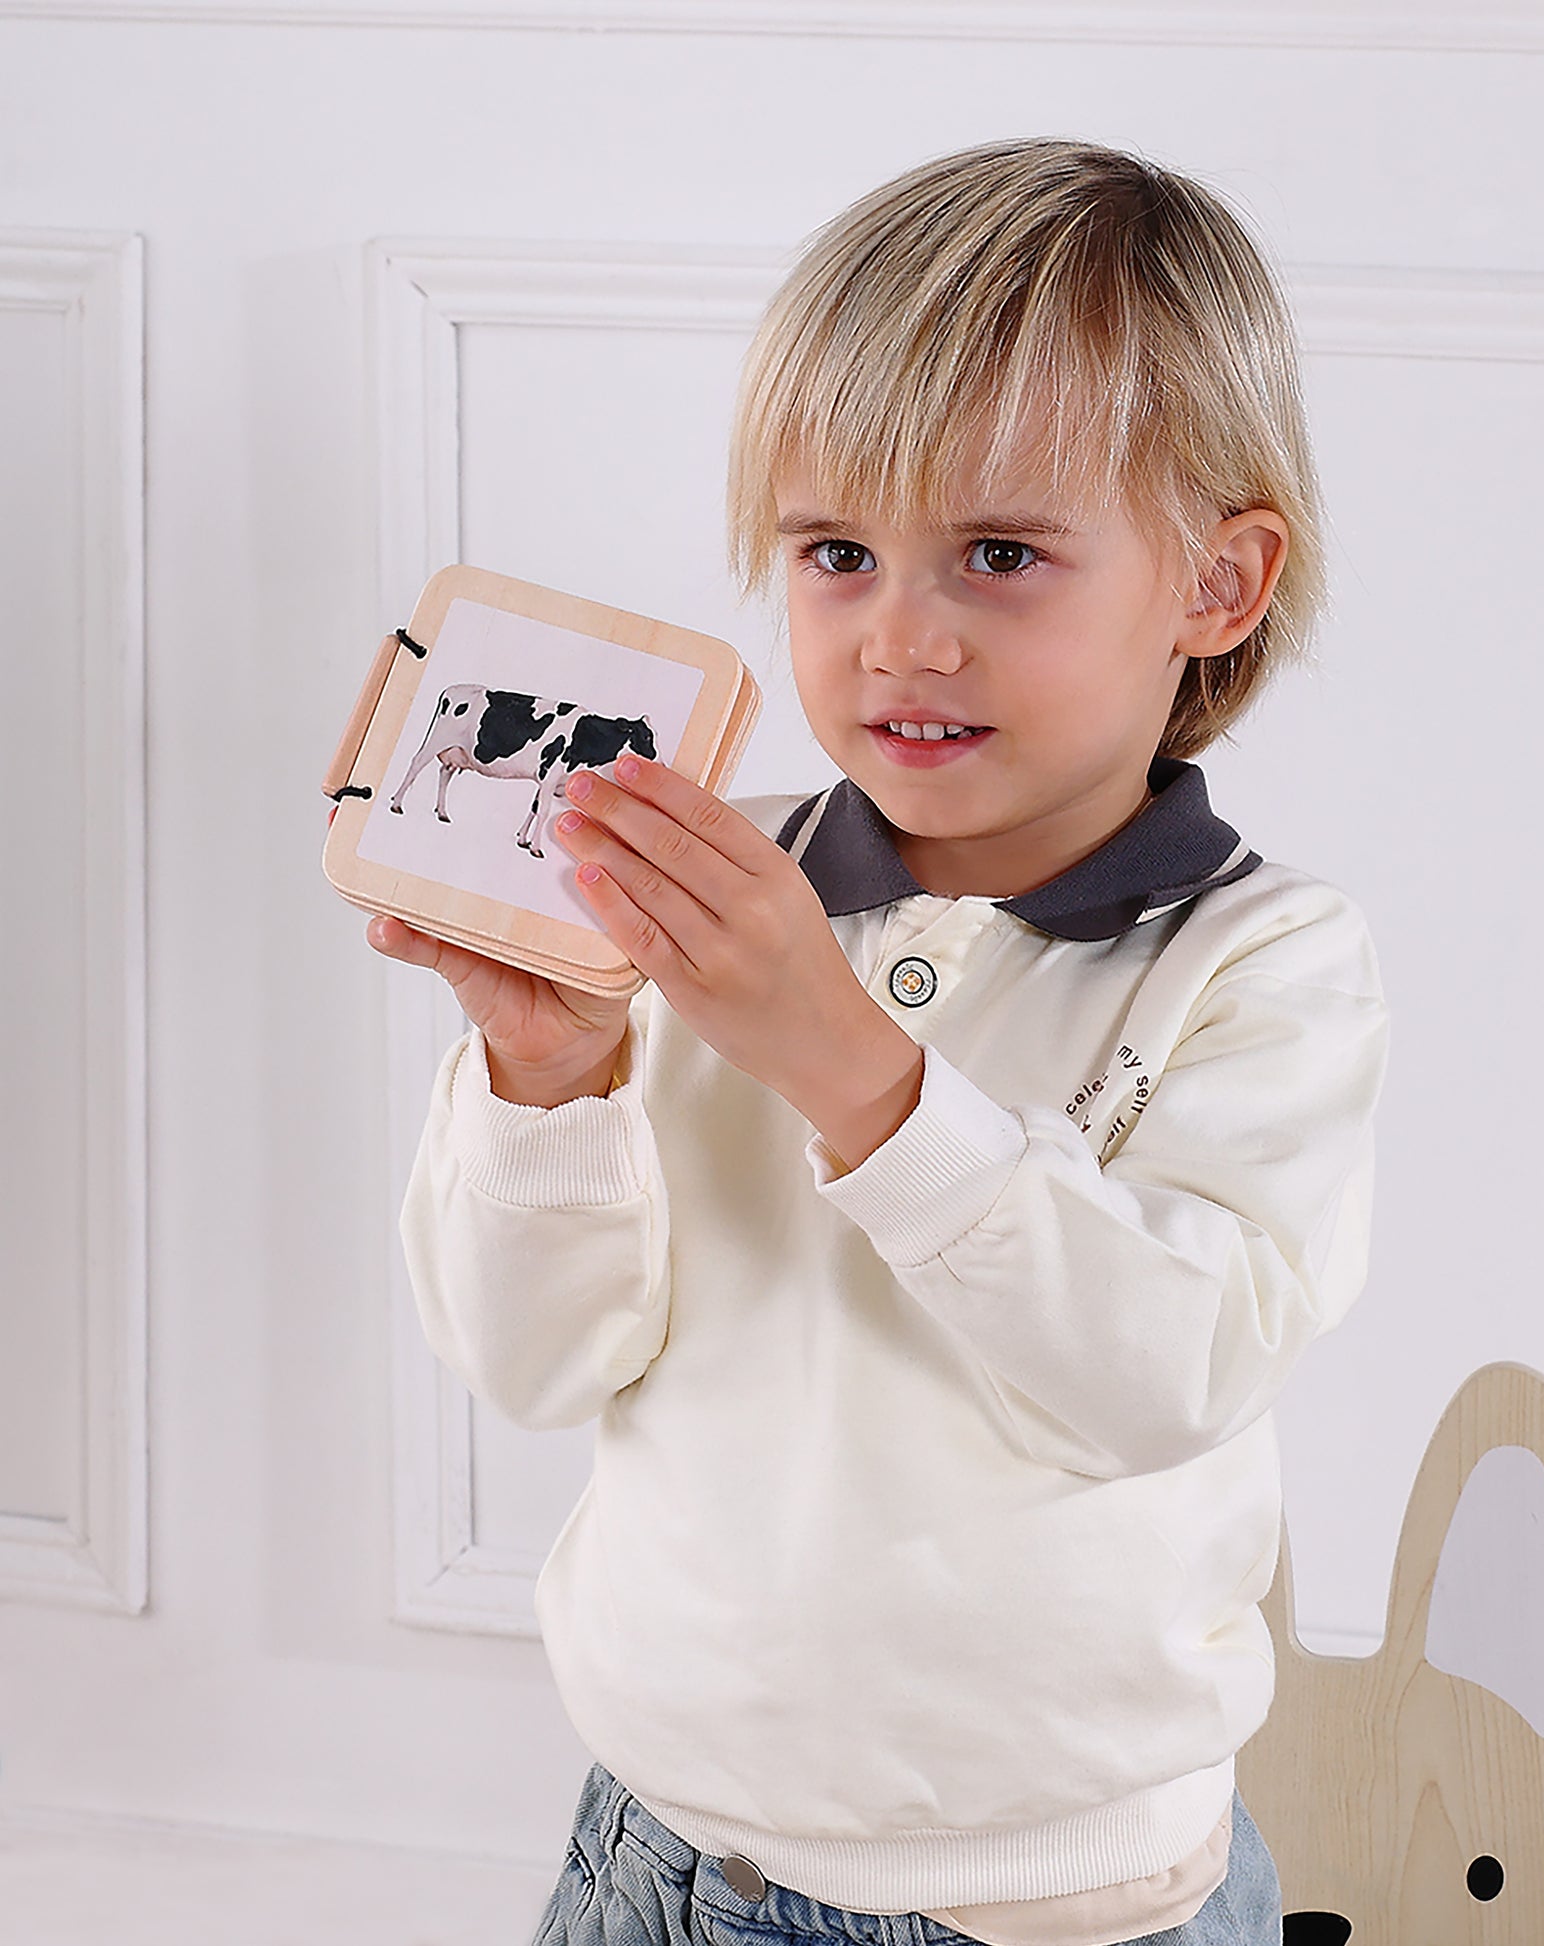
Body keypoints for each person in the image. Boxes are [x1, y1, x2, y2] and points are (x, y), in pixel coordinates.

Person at [373, 137, 1389, 1946]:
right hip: (657, 1848)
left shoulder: (1258, 962)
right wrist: (548, 1081)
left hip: (1058, 1900)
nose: (901, 635)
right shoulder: (711, 888)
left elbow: (1161, 1373)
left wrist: (855, 1070)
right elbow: (534, 1362)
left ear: (1216, 586)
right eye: (836, 551)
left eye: (999, 553)